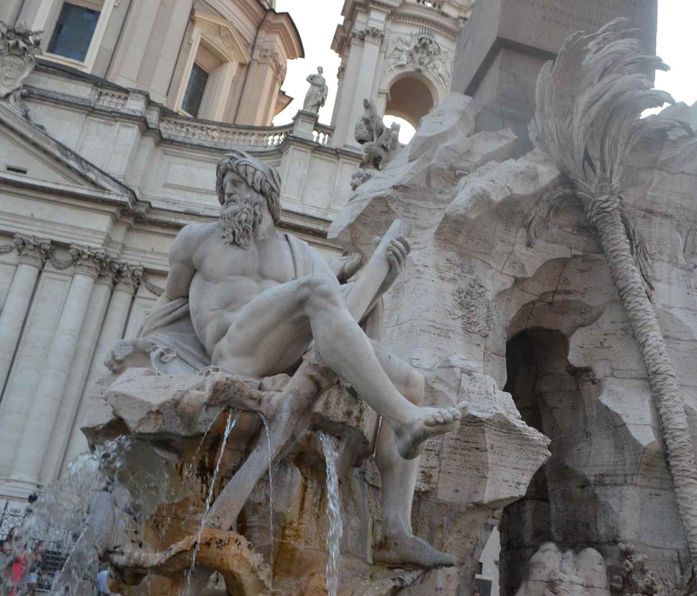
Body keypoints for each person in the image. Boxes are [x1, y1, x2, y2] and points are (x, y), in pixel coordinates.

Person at [136, 151, 462, 566]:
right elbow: (169, 303)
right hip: (233, 350)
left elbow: (342, 313)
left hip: (287, 355)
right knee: (317, 290)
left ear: (263, 192)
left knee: (412, 382)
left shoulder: (298, 252)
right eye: (224, 188)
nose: (227, 195)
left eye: (236, 185)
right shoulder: (197, 239)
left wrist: (380, 281)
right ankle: (403, 419)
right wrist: (144, 352)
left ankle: (397, 531)